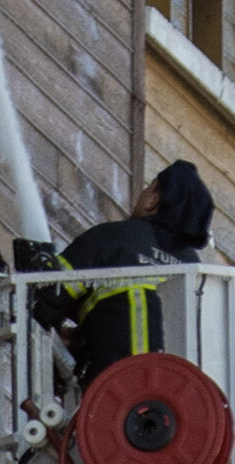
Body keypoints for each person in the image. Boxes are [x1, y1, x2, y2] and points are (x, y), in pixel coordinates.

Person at [48, 160, 216, 379]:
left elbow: (50, 295)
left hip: (114, 386)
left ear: (153, 200)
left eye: (149, 187)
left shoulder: (114, 238)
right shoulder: (196, 271)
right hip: (177, 397)